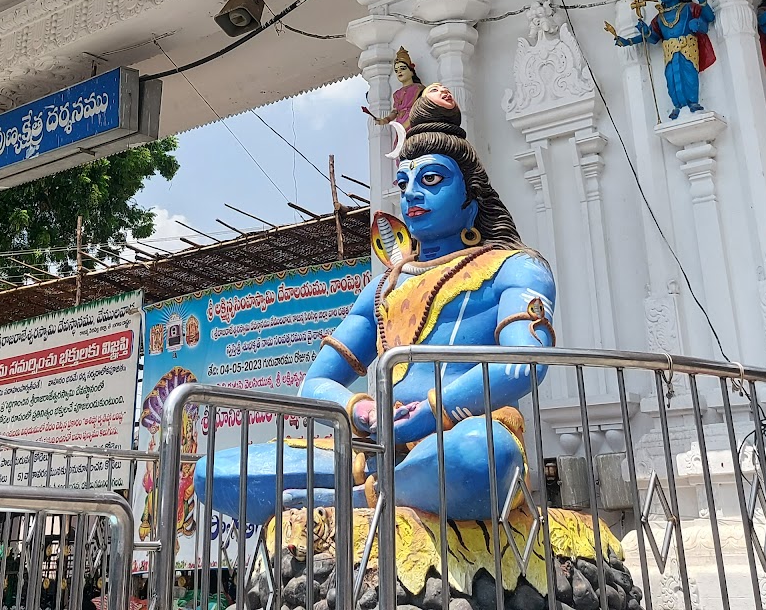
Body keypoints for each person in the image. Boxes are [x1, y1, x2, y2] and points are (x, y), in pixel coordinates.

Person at [197, 85, 556, 524]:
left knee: (480, 458)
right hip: (376, 447)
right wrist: (363, 411)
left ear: (471, 199)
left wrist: (434, 412)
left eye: (431, 180)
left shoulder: (514, 267)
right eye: (404, 183)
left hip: (460, 435)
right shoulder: (385, 287)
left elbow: (524, 362)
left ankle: (361, 499)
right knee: (216, 472)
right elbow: (315, 384)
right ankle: (384, 487)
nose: (412, 194)